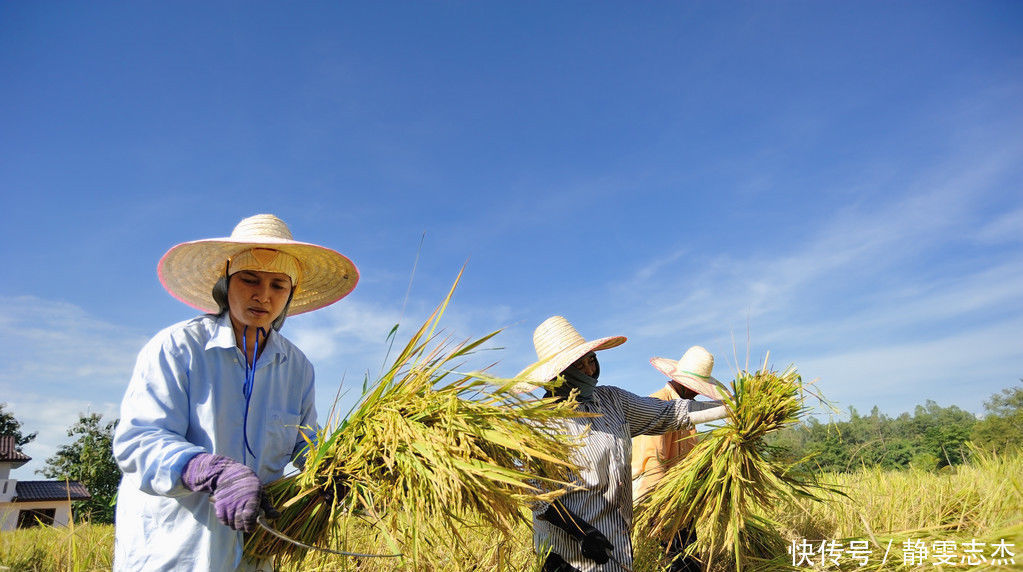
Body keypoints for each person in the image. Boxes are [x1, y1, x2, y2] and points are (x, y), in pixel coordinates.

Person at [111, 214, 359, 571]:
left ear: (290, 293)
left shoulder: (297, 367)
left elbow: (304, 443)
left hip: (253, 549)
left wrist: (345, 470)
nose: (263, 295)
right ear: (226, 282)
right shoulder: (179, 347)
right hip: (176, 550)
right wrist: (211, 471)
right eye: (249, 279)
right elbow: (139, 441)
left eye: (278, 285)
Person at [515, 316, 727, 572]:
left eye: (591, 360)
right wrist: (581, 531)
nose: (590, 371)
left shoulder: (613, 401)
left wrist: (731, 407)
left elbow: (669, 413)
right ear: (557, 374)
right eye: (579, 366)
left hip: (617, 548)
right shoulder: (538, 423)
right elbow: (536, 494)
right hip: (570, 557)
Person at [631, 346, 727, 572]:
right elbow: (652, 463)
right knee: (674, 563)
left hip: (681, 503)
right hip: (660, 503)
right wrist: (659, 511)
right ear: (682, 382)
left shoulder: (688, 413)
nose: (697, 393)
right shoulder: (656, 405)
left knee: (690, 560)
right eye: (694, 388)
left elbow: (690, 459)